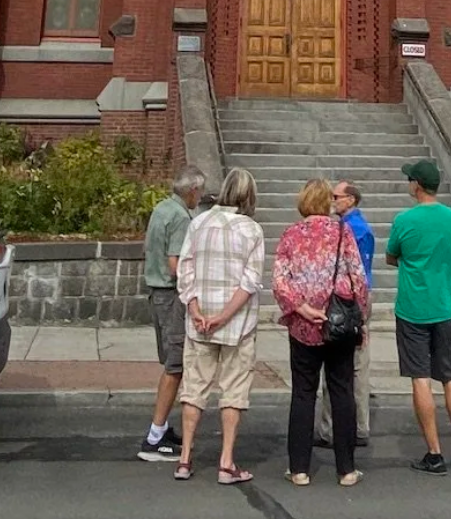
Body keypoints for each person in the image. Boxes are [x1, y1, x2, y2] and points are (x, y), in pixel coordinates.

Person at [274, 177, 370, 487]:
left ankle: (299, 469)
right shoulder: (342, 231)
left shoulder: (290, 235)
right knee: (342, 391)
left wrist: (301, 307)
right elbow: (359, 280)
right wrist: (361, 319)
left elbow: (280, 281)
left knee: (303, 393)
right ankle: (346, 469)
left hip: (304, 326)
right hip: (338, 323)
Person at [175, 165, 264, 485]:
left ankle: (185, 458)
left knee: (194, 388)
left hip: (199, 320)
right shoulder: (251, 230)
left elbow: (185, 270)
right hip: (237, 324)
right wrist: (225, 315)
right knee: (233, 392)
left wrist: (195, 308)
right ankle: (226, 462)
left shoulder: (199, 223)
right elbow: (250, 280)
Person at [386, 158, 451, 472]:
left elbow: (392, 256)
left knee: (420, 377)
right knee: (450, 374)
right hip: (444, 305)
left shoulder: (405, 220)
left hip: (413, 308)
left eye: (410, 180)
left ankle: (434, 452)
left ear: (417, 185)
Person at [137, 164, 206, 462]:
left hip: (156, 292)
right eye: (199, 192)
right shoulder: (180, 217)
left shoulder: (161, 209)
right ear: (193, 191)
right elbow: (175, 264)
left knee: (171, 360)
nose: (199, 198)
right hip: (170, 294)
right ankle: (154, 437)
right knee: (175, 365)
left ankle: (162, 427)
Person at [317, 180, 374, 448]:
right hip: (356, 296)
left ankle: (332, 428)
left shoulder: (352, 229)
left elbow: (357, 272)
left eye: (336, 196)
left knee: (341, 363)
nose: (332, 200)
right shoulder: (358, 227)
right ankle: (358, 425)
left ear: (351, 199)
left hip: (346, 299)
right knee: (357, 365)